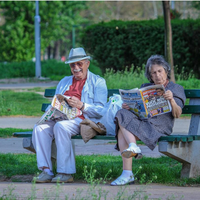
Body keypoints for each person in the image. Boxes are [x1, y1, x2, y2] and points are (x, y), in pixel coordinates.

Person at [32, 47, 108, 183]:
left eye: (80, 63)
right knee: (39, 128)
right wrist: (52, 111)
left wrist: (82, 105)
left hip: (83, 120)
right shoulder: (64, 82)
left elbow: (101, 110)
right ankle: (46, 170)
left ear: (87, 64)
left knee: (61, 127)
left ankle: (65, 172)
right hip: (61, 118)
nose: (76, 67)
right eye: (73, 65)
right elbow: (56, 102)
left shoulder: (98, 82)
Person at [111, 55, 186, 186]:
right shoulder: (145, 87)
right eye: (153, 73)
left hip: (159, 127)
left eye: (160, 71)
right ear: (150, 76)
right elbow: (138, 110)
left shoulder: (175, 89)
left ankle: (127, 173)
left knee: (122, 131)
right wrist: (129, 107)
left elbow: (177, 113)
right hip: (143, 122)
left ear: (166, 71)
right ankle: (133, 148)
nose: (157, 75)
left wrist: (172, 100)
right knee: (121, 113)